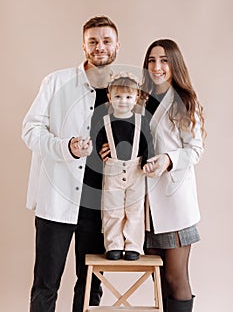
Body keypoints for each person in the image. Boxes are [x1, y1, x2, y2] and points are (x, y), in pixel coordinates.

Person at [22, 16, 120, 312]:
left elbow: (137, 138)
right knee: (46, 283)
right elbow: (30, 130)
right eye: (93, 41)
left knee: (90, 284)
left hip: (100, 204)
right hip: (57, 199)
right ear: (83, 46)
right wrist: (66, 147)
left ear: (117, 45)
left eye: (106, 41)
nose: (99, 47)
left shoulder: (127, 88)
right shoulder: (56, 82)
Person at [141, 39, 206, 312]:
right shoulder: (140, 99)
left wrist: (169, 159)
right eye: (152, 60)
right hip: (147, 205)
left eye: (164, 60)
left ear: (174, 65)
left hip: (175, 202)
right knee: (160, 280)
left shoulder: (184, 102)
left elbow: (195, 150)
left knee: (175, 277)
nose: (157, 66)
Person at [96, 73, 154, 261]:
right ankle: (113, 245)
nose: (123, 101)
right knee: (112, 210)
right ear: (110, 97)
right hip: (113, 170)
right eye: (118, 97)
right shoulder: (104, 122)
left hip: (136, 171)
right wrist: (98, 151)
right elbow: (98, 144)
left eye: (128, 97)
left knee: (135, 210)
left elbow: (148, 144)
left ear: (136, 98)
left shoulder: (141, 121)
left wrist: (147, 161)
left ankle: (133, 246)